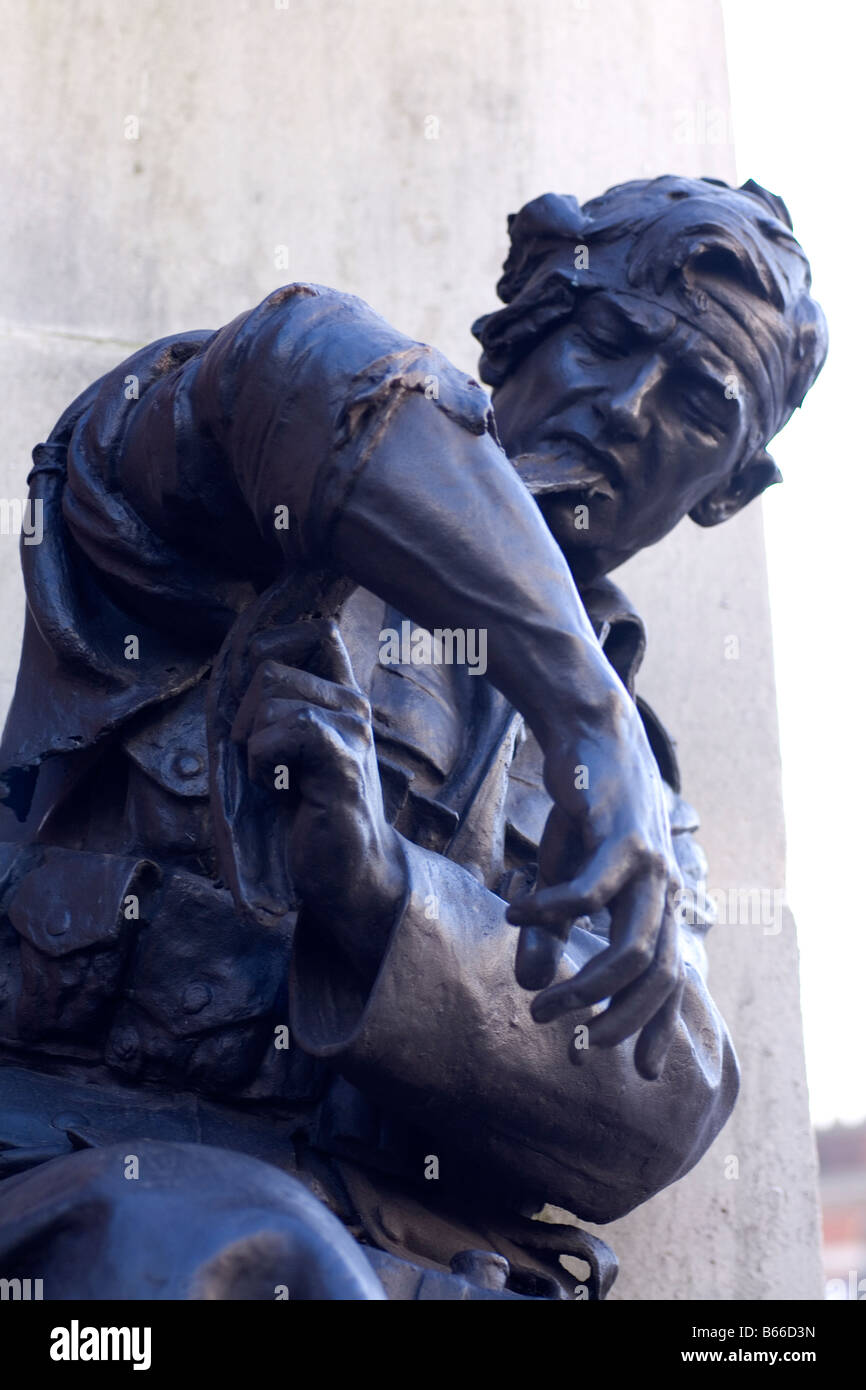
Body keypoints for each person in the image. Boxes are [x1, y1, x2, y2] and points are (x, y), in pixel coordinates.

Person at [0, 176, 826, 1300]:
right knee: (241, 1257)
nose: (628, 408)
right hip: (119, 1202)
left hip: (432, 1261)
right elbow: (290, 362)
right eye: (608, 340)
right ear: (520, 329)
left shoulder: (643, 790)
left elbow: (661, 1089)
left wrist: (380, 892)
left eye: (696, 402)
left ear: (723, 492)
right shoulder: (238, 517)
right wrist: (580, 702)